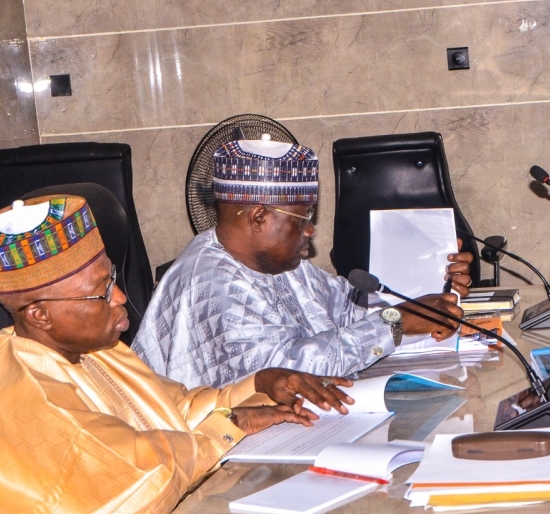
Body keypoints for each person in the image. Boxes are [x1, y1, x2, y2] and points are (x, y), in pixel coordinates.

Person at [0, 195, 354, 514]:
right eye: (100, 293)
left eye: (112, 279)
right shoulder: (21, 398)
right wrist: (230, 426)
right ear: (40, 315)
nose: (120, 298)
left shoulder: (93, 350)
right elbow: (142, 479)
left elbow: (173, 409)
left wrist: (257, 385)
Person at [133, 138, 470, 389]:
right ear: (259, 217)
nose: (311, 229)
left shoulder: (277, 262)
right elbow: (289, 370)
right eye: (302, 217)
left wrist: (432, 290)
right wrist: (395, 322)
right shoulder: (210, 286)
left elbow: (345, 307)